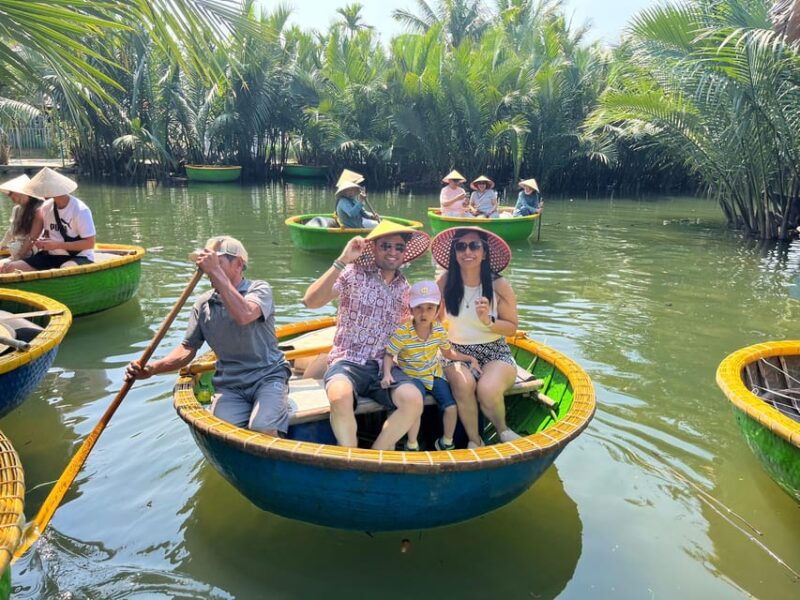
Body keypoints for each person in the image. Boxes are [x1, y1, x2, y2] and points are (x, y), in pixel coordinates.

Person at [125, 236, 290, 436]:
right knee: (221, 433)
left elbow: (245, 314)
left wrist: (215, 271)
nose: (206, 270)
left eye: (216, 262)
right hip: (231, 385)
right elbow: (187, 349)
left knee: (262, 427)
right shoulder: (203, 304)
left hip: (267, 376)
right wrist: (152, 369)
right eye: (206, 264)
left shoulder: (259, 289)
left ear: (238, 264)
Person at [302, 219, 431, 450]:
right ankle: (350, 457)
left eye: (399, 247)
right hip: (349, 360)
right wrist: (342, 260)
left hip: (385, 366)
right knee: (340, 396)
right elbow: (311, 301)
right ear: (374, 248)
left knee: (413, 399)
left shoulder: (404, 288)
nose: (392, 252)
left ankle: (377, 455)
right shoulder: (353, 273)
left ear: (404, 253)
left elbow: (415, 326)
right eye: (386, 246)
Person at [432, 226, 520, 448]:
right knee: (463, 385)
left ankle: (503, 430)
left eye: (474, 245)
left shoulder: (499, 284)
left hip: (494, 350)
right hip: (455, 351)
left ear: (485, 252)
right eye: (460, 246)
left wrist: (488, 321)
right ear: (454, 252)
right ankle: (474, 440)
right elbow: (431, 320)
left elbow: (511, 328)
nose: (467, 251)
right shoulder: (444, 282)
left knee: (487, 389)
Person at [381, 280, 481, 451]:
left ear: (437, 309)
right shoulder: (403, 332)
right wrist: (387, 374)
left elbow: (449, 353)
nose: (424, 313)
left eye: (429, 308)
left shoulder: (439, 330)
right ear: (411, 309)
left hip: (433, 373)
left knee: (450, 407)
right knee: (416, 406)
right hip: (411, 376)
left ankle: (446, 442)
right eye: (418, 308)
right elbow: (389, 354)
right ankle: (412, 443)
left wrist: (468, 358)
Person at [3, 167, 96, 272]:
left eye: (44, 189)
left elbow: (90, 243)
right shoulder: (44, 208)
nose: (41, 193)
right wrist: (17, 258)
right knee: (11, 268)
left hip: (78, 257)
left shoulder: (80, 210)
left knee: (65, 269)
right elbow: (32, 237)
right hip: (51, 256)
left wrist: (57, 245)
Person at [0, 174, 43, 271]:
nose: (11, 196)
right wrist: (1, 245)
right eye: (10, 193)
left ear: (24, 193)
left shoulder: (39, 209)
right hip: (15, 253)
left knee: (5, 268)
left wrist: (17, 257)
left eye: (13, 193)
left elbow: (32, 237)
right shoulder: (16, 209)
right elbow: (11, 232)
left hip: (31, 254)